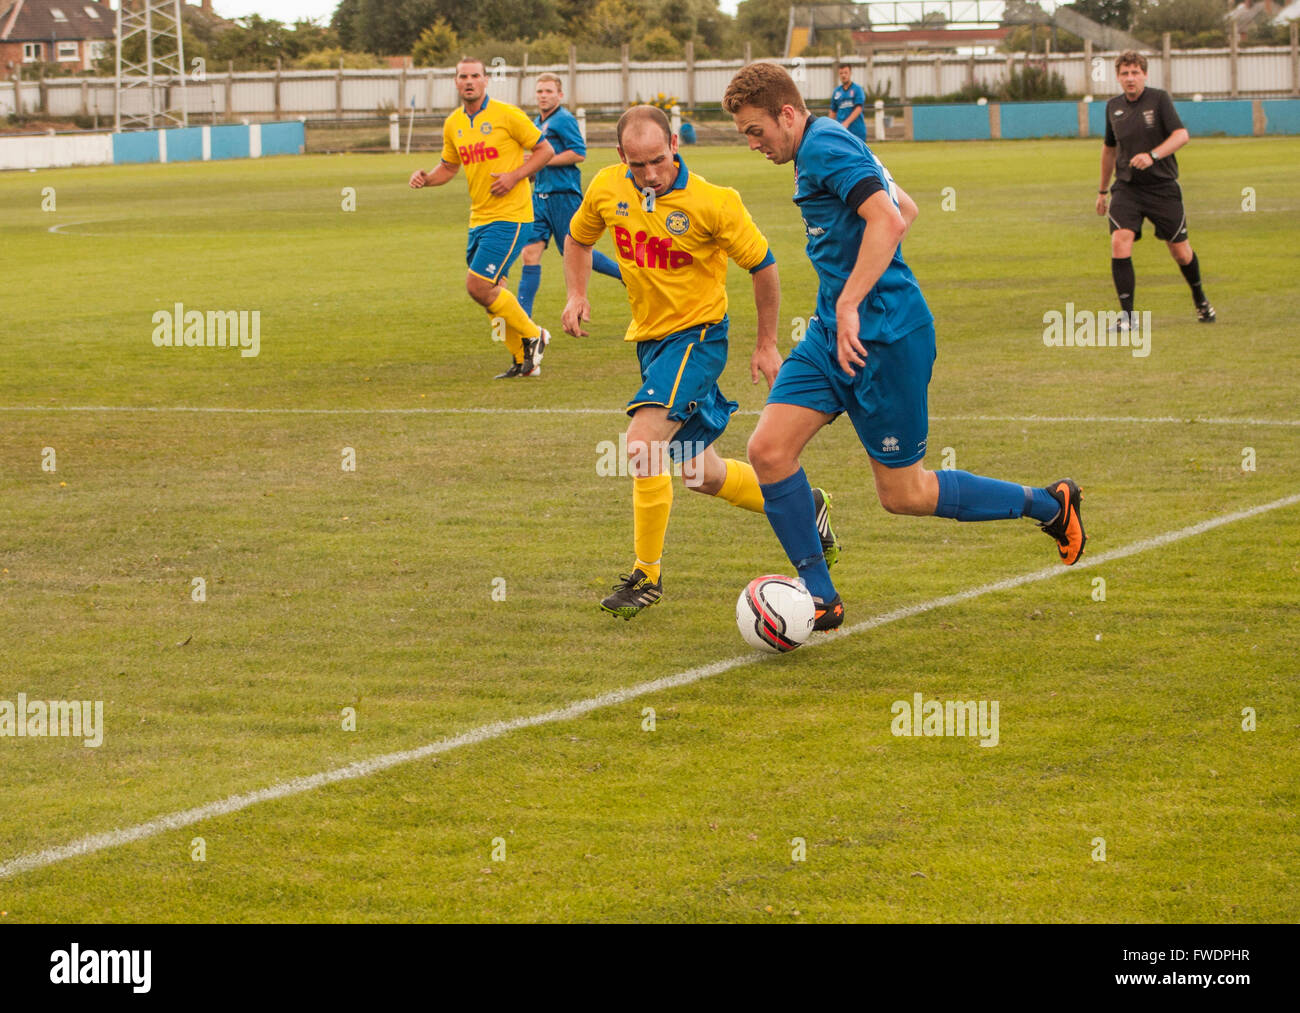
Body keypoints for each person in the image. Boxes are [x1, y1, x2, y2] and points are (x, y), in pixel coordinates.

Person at [722, 62, 1085, 632]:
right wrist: (839, 310)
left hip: (886, 339)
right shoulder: (828, 143)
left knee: (904, 493)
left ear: (786, 114)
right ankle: (821, 597)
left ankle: (1049, 504)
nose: (751, 143)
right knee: (768, 451)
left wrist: (852, 303)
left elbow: (889, 221)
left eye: (755, 130)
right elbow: (907, 208)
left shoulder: (824, 148)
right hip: (828, 336)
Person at [561, 105, 839, 620]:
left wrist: (767, 343)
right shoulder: (605, 186)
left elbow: (763, 266)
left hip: (699, 339)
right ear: (621, 156)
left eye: (659, 160)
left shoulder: (714, 202)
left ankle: (646, 575)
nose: (649, 174)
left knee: (642, 445)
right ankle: (809, 508)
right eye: (637, 164)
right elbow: (578, 238)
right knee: (699, 473)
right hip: (650, 343)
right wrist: (576, 294)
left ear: (675, 145)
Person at [408, 57, 556, 379]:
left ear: (486, 80)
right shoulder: (453, 124)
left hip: (512, 216)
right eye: (463, 76)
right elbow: (449, 167)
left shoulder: (508, 115)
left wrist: (515, 176)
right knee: (493, 289)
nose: (469, 81)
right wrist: (426, 178)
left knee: (478, 285)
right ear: (456, 82)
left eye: (476, 75)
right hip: (479, 218)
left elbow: (545, 151)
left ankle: (535, 335)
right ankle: (524, 360)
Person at [1097, 50, 1215, 326]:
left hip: (1162, 188)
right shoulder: (1113, 106)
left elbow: (1181, 135)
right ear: (1117, 77)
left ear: (1145, 74)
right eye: (1125, 73)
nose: (1130, 78)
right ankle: (1127, 317)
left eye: (1135, 72)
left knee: (1180, 251)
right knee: (1119, 241)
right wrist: (1102, 191)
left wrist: (1153, 156)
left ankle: (1201, 301)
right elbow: (1109, 149)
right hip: (1127, 188)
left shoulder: (1159, 99)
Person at [516, 73, 623, 322]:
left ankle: (625, 274)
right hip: (540, 198)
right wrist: (530, 170)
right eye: (540, 91)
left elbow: (578, 153)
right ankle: (523, 323)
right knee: (529, 254)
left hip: (563, 195)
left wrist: (543, 159)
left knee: (574, 251)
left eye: (549, 91)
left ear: (560, 95)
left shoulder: (563, 119)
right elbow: (538, 162)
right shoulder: (535, 122)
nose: (543, 95)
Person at [829, 64, 867, 142]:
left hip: (857, 131)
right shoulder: (836, 91)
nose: (843, 75)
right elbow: (833, 111)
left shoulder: (857, 89)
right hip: (841, 132)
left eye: (846, 73)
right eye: (841, 73)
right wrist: (829, 126)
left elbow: (859, 108)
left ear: (850, 73)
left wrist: (846, 123)